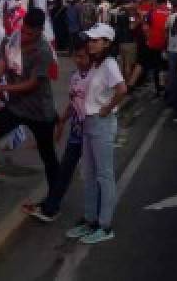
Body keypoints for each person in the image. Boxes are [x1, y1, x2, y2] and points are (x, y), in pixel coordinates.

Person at [0, 8, 59, 210]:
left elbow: (32, 84)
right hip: (16, 107)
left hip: (40, 111)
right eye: (23, 30)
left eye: (30, 33)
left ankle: (54, 199)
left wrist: (0, 88)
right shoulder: (10, 41)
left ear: (40, 31)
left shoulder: (43, 51)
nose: (25, 36)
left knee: (48, 155)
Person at [63, 23, 127, 244]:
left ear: (107, 43)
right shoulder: (95, 64)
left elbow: (122, 89)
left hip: (101, 123)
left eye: (95, 40)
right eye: (90, 40)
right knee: (89, 174)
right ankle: (90, 219)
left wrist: (107, 109)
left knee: (104, 175)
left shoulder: (109, 64)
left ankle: (105, 225)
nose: (90, 44)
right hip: (88, 122)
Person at [24, 33, 91, 223]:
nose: (78, 60)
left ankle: (95, 217)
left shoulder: (97, 76)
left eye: (82, 56)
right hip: (77, 133)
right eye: (76, 56)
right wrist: (62, 121)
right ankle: (51, 207)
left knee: (93, 175)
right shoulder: (75, 77)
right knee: (64, 172)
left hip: (92, 134)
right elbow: (73, 102)